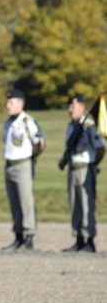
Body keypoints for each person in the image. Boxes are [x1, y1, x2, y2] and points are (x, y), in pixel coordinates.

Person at [60, 93, 105, 252]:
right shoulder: (71, 126)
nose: (71, 109)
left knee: (87, 205)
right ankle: (79, 238)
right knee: (75, 205)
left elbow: (100, 148)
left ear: (82, 107)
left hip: (85, 168)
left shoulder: (89, 125)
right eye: (69, 106)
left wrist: (94, 164)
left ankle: (89, 240)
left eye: (74, 105)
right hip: (73, 168)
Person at [2, 89, 44, 251]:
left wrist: (32, 157)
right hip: (10, 164)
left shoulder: (27, 121)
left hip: (23, 164)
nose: (8, 105)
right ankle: (18, 235)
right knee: (14, 201)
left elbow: (40, 141)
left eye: (11, 102)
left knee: (26, 201)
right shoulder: (8, 123)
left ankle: (28, 235)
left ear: (20, 103)